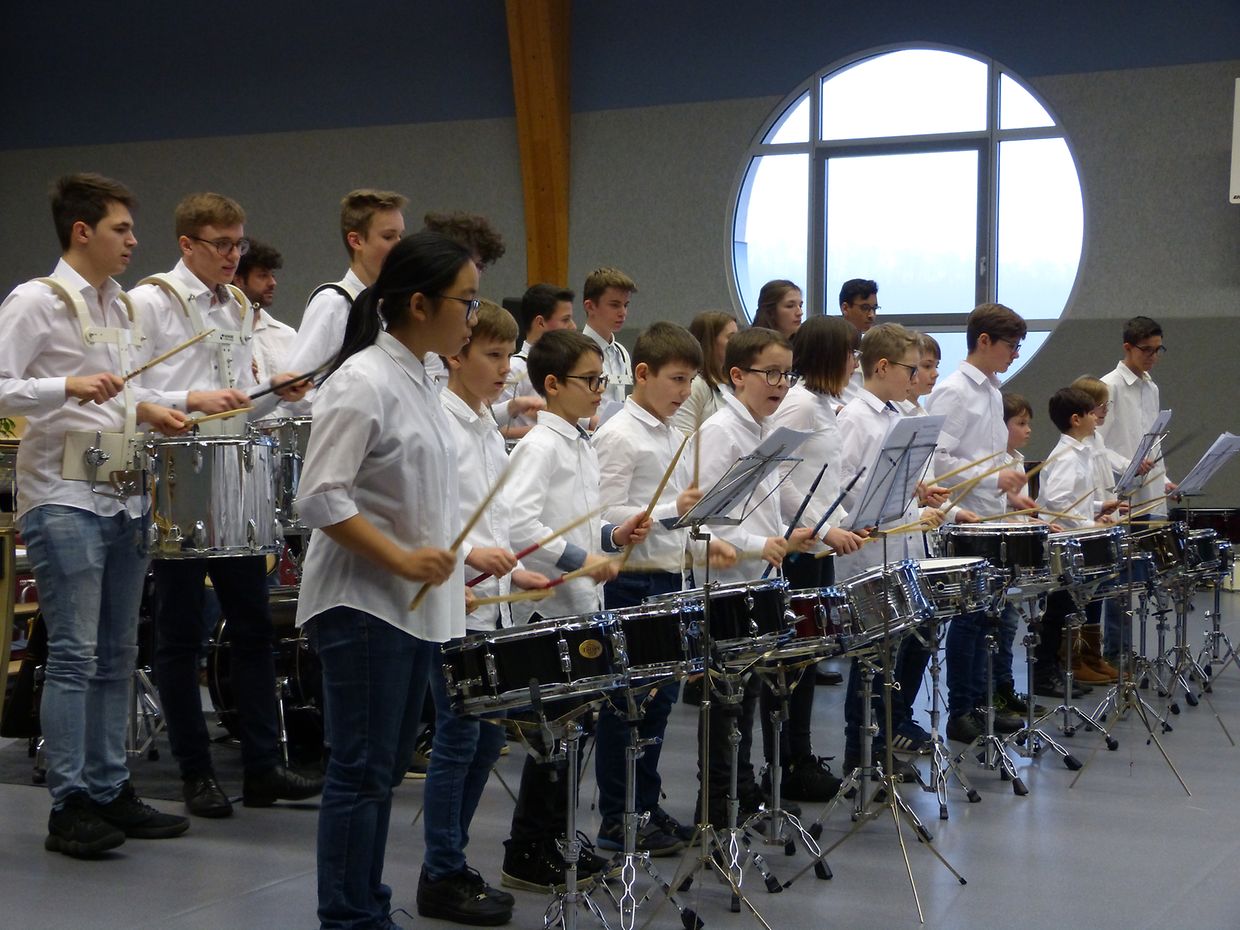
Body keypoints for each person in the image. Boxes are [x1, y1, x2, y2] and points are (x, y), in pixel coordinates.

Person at [0, 173, 190, 857]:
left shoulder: (125, 308)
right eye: (121, 229)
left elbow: (125, 394)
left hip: (123, 495)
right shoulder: (35, 301)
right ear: (82, 231)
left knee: (119, 655)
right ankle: (69, 801)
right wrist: (64, 386)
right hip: (63, 497)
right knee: (75, 656)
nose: (134, 241)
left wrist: (156, 410)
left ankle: (111, 787)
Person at [294, 231, 475, 929]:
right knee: (362, 769)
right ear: (421, 304)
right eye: (466, 300)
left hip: (407, 607)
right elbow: (320, 497)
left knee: (385, 768)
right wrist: (401, 559)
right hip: (362, 603)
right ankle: (347, 917)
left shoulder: (423, 377)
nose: (473, 314)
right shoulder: (363, 378)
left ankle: (364, 905)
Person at [129, 192, 321, 819]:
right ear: (187, 244)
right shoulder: (150, 301)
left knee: (253, 628)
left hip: (234, 477)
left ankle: (263, 766)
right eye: (221, 244)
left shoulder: (238, 305)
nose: (233, 255)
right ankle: (195, 772)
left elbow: (237, 401)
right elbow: (130, 392)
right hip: (176, 477)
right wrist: (191, 398)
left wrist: (274, 391)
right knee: (181, 633)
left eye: (239, 244)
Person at [500, 329, 649, 890]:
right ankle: (527, 849)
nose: (599, 390)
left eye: (601, 380)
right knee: (552, 738)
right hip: (549, 611)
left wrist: (612, 535)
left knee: (572, 734)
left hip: (580, 605)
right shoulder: (540, 445)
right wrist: (582, 558)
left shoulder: (581, 441)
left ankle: (555, 840)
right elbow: (519, 525)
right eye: (589, 380)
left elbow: (578, 522)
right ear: (553, 384)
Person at [420, 300, 547, 925]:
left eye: (508, 356)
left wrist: (516, 570)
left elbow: (492, 519)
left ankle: (452, 860)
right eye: (493, 356)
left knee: (490, 735)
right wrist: (471, 556)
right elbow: (428, 514)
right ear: (455, 356)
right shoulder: (438, 425)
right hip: (452, 603)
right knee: (459, 736)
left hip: (491, 608)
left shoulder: (485, 427)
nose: (505, 369)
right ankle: (440, 870)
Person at [591, 321, 731, 855]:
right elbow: (602, 515)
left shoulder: (674, 434)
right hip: (630, 583)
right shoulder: (618, 435)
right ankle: (617, 817)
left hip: (670, 579)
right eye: (676, 379)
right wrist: (676, 508)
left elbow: (673, 518)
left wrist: (704, 539)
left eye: (691, 380)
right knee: (625, 704)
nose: (684, 390)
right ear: (642, 374)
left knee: (659, 703)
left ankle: (645, 806)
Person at [691, 327, 815, 824]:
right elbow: (703, 520)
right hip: (724, 586)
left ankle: (741, 793)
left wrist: (791, 533)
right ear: (738, 375)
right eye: (771, 374)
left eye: (787, 374)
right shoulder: (721, 432)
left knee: (746, 698)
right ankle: (718, 805)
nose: (781, 384)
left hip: (758, 581)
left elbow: (760, 507)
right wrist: (755, 544)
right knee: (725, 703)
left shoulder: (763, 430)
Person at [762, 314, 868, 801]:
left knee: (809, 656)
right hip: (797, 548)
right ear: (828, 355)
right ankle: (786, 761)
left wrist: (847, 520)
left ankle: (799, 755)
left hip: (818, 546)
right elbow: (777, 481)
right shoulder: (799, 404)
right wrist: (825, 529)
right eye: (850, 353)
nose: (855, 363)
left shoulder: (823, 404)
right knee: (793, 662)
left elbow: (824, 481)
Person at [835, 323, 947, 770]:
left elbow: (886, 479)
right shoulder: (855, 418)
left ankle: (879, 744)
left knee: (889, 660)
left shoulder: (893, 415)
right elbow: (842, 488)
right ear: (882, 367)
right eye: (910, 369)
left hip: (897, 550)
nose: (915, 377)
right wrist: (889, 506)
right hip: (867, 554)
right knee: (869, 663)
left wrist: (916, 491)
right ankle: (859, 754)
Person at [1033, 386, 1125, 697]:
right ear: (1076, 419)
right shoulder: (1067, 457)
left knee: (1066, 610)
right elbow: (1058, 503)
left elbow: (1074, 500)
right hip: (1062, 545)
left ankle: (1058, 670)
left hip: (1073, 538)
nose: (1097, 418)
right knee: (1057, 612)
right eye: (1091, 413)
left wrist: (1098, 507)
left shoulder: (1079, 452)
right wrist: (1089, 525)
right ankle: (1044, 674)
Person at [282, 189, 408, 409]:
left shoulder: (391, 309)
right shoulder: (333, 303)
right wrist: (350, 408)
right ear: (356, 240)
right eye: (388, 237)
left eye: (400, 236)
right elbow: (292, 392)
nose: (399, 246)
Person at [1098, 315, 1176, 661]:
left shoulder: (1151, 387)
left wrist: (1164, 479)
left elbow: (1153, 443)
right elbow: (1096, 444)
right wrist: (1127, 465)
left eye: (1158, 350)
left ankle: (1129, 648)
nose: (1153, 357)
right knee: (1119, 578)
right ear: (1127, 347)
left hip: (1149, 495)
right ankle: (1115, 650)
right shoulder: (1109, 386)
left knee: (1140, 578)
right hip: (1119, 496)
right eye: (1147, 350)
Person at [495, 282, 571, 437]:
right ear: (541, 322)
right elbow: (494, 428)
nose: (573, 327)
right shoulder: (514, 368)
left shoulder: (566, 366)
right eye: (565, 320)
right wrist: (548, 429)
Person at [233, 238, 297, 383]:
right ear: (239, 280)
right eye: (263, 276)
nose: (273, 283)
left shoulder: (287, 336)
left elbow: (302, 392)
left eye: (272, 275)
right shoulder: (217, 332)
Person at [671, 310, 737, 436]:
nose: (737, 344)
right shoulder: (694, 385)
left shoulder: (731, 382)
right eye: (731, 337)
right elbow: (683, 438)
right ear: (711, 341)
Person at [581, 267, 636, 405]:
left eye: (626, 305)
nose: (623, 313)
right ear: (590, 307)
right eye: (615, 305)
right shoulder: (574, 352)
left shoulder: (622, 352)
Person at [837, 278, 879, 403]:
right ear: (845, 308)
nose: (871, 315)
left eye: (874, 308)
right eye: (865, 308)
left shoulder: (871, 347)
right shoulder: (828, 346)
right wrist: (835, 409)